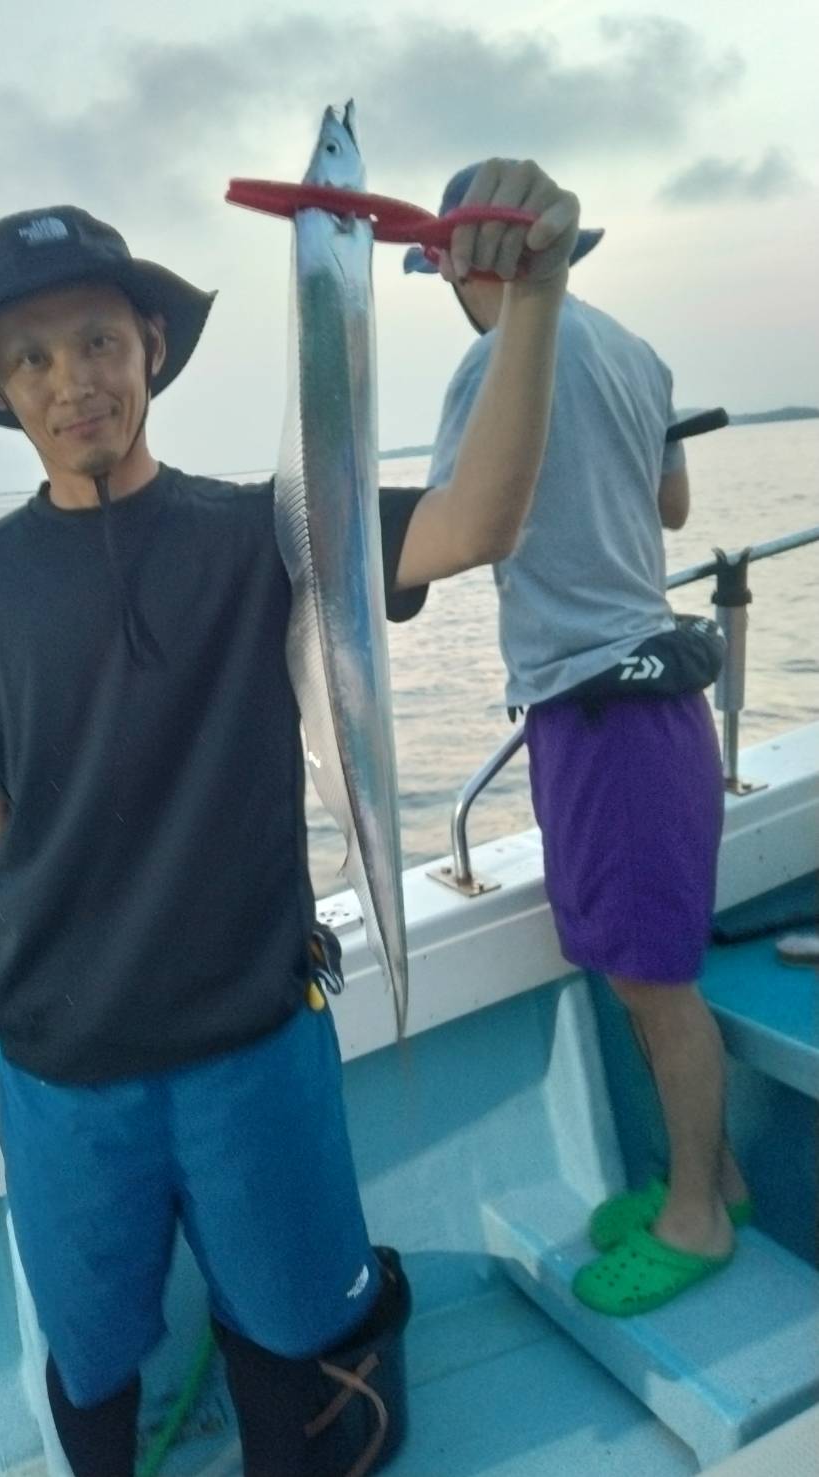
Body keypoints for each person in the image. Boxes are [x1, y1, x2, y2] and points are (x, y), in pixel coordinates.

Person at [0, 158, 579, 1476]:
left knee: (296, 1333)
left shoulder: (270, 533)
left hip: (255, 1046)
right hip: (60, 1073)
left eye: (99, 341)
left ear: (151, 347)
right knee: (93, 1358)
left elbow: (474, 522)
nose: (72, 379)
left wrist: (538, 299)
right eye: (33, 357)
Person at [405, 161, 751, 1319]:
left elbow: (452, 530)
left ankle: (696, 1217)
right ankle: (716, 1179)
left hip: (601, 713)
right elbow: (670, 509)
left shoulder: (484, 366)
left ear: (459, 265)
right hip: (648, 700)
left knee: (654, 985)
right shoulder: (636, 351)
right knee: (636, 970)